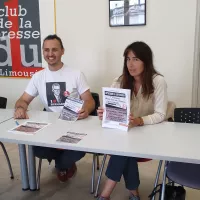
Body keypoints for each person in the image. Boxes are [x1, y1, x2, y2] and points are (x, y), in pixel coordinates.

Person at [14, 34, 95, 182]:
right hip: (50, 126)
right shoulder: (38, 77)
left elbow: (89, 100)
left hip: (73, 124)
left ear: (62, 51)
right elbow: (23, 100)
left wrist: (86, 109)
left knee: (79, 150)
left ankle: (62, 165)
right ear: (43, 52)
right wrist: (20, 108)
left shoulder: (76, 74)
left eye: (54, 50)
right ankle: (64, 162)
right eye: (46, 50)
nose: (50, 54)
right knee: (36, 149)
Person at [97, 41, 169, 200]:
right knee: (124, 148)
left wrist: (139, 121)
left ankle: (105, 195)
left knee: (122, 150)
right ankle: (134, 193)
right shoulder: (119, 80)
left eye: (136, 59)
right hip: (124, 133)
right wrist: (104, 112)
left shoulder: (158, 81)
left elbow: (160, 114)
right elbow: (108, 106)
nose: (131, 64)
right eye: (128, 59)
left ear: (146, 61)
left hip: (148, 135)